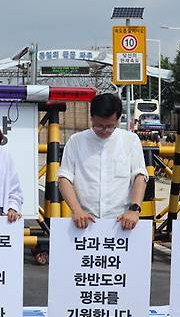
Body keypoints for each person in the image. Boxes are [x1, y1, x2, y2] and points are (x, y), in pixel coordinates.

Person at [58, 92, 148, 230]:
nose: (104, 130)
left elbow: (139, 176)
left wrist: (134, 210)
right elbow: (64, 179)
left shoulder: (130, 140)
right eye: (99, 126)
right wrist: (77, 210)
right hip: (84, 220)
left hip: (122, 222)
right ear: (91, 118)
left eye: (110, 126)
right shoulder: (76, 141)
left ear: (118, 120)